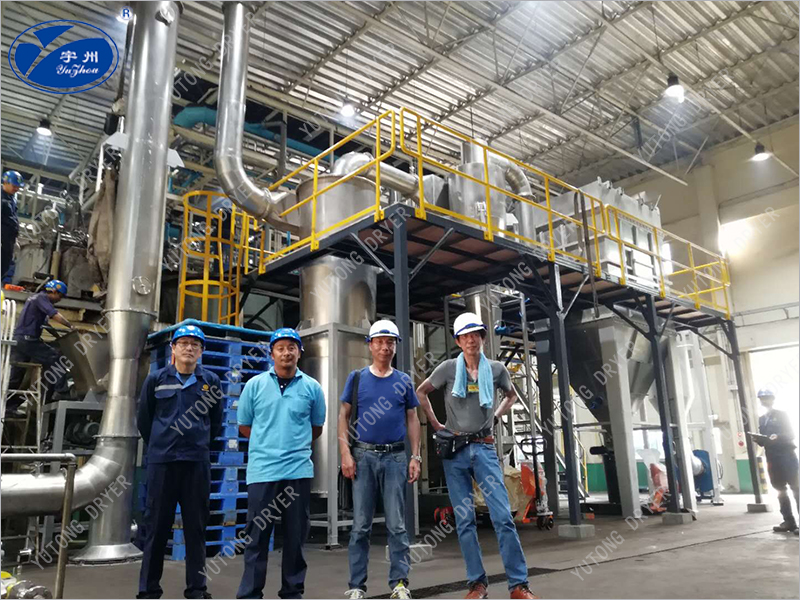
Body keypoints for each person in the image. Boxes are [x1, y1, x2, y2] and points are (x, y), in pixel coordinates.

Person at [416, 312, 538, 600]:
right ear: (458, 341)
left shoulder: (496, 370)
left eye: (476, 334)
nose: (471, 340)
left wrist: (495, 416)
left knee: (502, 516)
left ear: (482, 338)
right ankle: (477, 585)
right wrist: (436, 424)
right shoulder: (448, 369)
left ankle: (518, 585)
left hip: (484, 448)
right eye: (465, 336)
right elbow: (421, 392)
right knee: (465, 520)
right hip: (455, 450)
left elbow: (511, 395)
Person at [237, 327, 326, 599]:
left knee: (295, 537)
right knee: (257, 537)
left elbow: (316, 428)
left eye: (291, 348)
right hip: (262, 472)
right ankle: (250, 594)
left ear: (300, 352)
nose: (286, 353)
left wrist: (292, 446)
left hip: (297, 472)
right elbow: (244, 425)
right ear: (272, 353)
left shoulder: (312, 388)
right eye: (280, 348)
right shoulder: (254, 386)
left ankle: (292, 592)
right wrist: (268, 444)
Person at [137, 325, 223, 599]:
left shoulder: (210, 382)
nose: (189, 348)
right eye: (183, 343)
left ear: (202, 351)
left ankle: (197, 589)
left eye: (195, 344)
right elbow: (144, 420)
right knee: (156, 528)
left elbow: (216, 422)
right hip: (162, 464)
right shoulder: (156, 379)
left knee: (196, 528)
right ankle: (149, 590)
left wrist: (198, 444)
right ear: (173, 348)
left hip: (196, 464)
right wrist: (162, 445)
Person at [338, 320, 421, 600]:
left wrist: (415, 456)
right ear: (370, 345)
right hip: (363, 456)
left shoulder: (403, 381)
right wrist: (345, 453)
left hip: (395, 457)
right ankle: (356, 586)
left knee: (397, 525)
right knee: (360, 525)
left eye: (390, 342)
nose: (385, 347)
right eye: (380, 342)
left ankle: (399, 583)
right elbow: (343, 416)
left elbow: (412, 418)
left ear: (395, 347)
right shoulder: (357, 378)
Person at [6, 279, 72, 413]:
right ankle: (62, 392)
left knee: (16, 376)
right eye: (60, 296)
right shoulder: (41, 298)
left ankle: (8, 406)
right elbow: (54, 315)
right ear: (54, 291)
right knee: (56, 358)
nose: (59, 300)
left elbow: (46, 324)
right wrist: (71, 326)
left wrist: (58, 336)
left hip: (19, 340)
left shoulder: (35, 300)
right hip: (28, 340)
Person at [754, 388, 799, 535]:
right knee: (780, 489)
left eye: (767, 398)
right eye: (762, 399)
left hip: (787, 456)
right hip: (772, 459)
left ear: (772, 399)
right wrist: (759, 439)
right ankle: (788, 521)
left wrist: (777, 436)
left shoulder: (782, 415)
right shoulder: (762, 419)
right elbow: (764, 441)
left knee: (796, 488)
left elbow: (791, 434)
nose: (764, 401)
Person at [1, 170, 23, 280]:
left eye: (18, 186)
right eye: (14, 186)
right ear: (5, 182)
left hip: (8, 239)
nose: (16, 189)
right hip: (2, 237)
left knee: (5, 265)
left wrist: (15, 239)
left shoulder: (12, 198)